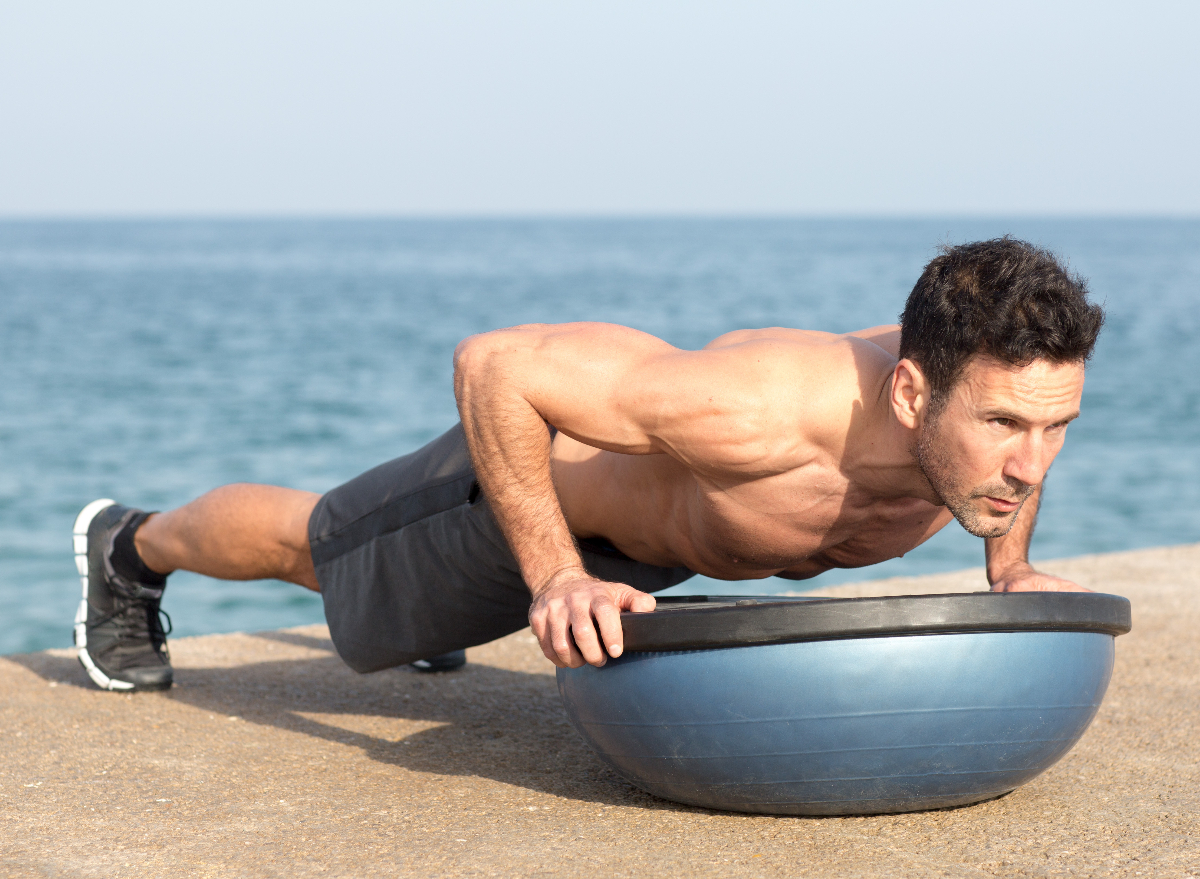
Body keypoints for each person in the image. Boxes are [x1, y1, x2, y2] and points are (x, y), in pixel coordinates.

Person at [71, 237, 1105, 692]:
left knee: (408, 608)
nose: (1031, 461)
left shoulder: (985, 410)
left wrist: (1007, 569)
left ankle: (452, 613)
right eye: (1011, 426)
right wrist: (555, 572)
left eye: (1054, 427)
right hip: (523, 508)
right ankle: (129, 546)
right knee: (319, 549)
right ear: (913, 396)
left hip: (654, 551)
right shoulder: (756, 412)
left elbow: (1020, 442)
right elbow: (495, 365)